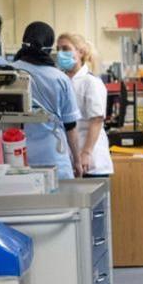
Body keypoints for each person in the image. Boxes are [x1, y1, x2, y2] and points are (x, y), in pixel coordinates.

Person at [11, 22, 82, 179]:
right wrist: (77, 161)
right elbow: (70, 125)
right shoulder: (59, 78)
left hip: (16, 158)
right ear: (49, 47)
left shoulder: (8, 73)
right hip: (54, 158)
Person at [57, 32, 113, 178]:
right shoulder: (62, 80)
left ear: (80, 52)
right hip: (70, 158)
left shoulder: (91, 82)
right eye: (58, 49)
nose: (60, 53)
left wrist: (86, 153)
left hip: (90, 159)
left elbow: (97, 120)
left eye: (65, 48)